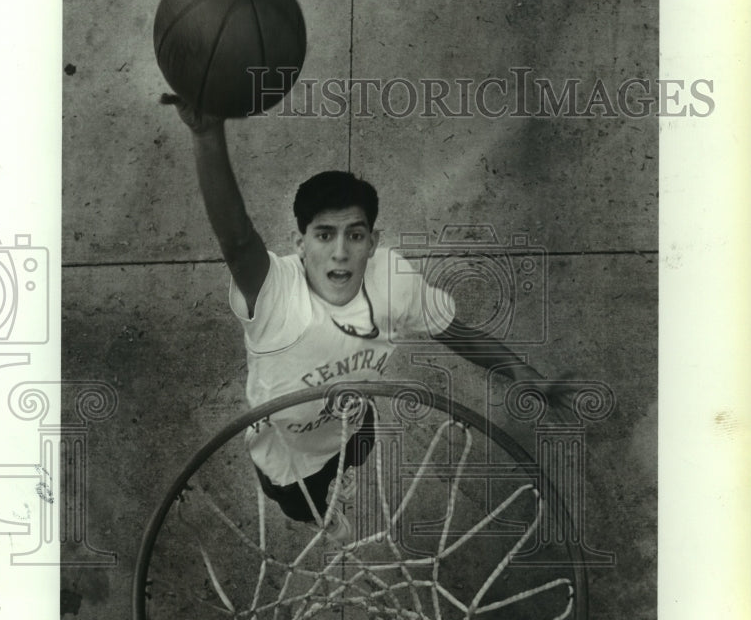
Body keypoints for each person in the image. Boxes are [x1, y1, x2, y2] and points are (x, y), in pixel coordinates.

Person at [164, 94, 562, 536]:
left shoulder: (393, 280)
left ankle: (343, 475)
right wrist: (206, 134)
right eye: (323, 235)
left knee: (356, 450)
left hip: (352, 421)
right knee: (302, 506)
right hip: (288, 447)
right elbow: (237, 241)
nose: (340, 252)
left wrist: (523, 373)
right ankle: (325, 515)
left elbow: (454, 331)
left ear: (373, 242)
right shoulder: (274, 292)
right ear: (300, 244)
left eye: (355, 235)